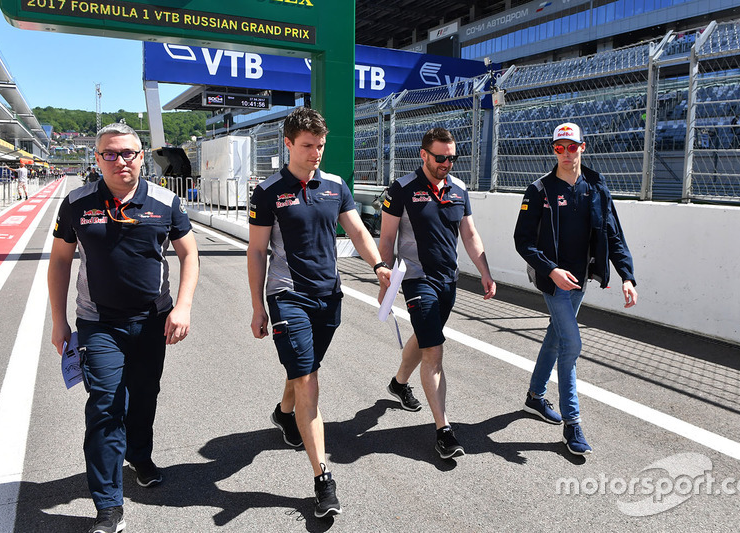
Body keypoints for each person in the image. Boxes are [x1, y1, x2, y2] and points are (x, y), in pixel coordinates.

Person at [48, 123, 199, 533]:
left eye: (128, 153)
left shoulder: (166, 201)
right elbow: (60, 261)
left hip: (153, 321)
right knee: (106, 406)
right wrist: (59, 321)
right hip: (98, 323)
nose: (120, 161)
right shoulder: (78, 203)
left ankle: (140, 455)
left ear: (141, 156)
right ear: (97, 160)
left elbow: (190, 254)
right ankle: (108, 506)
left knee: (144, 396)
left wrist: (182, 307)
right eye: (110, 154)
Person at [247, 106, 391, 518]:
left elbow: (358, 230)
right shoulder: (268, 191)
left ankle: (283, 412)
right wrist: (258, 306)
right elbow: (257, 251)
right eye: (308, 146)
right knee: (308, 380)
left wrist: (378, 265)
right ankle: (322, 478)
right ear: (288, 144)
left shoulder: (335, 185)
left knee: (304, 371)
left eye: (321, 146)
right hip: (287, 295)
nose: (315, 154)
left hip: (329, 296)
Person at [513, 122, 638, 456]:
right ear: (553, 149)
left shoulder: (596, 187)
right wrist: (551, 270)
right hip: (553, 282)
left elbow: (613, 234)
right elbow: (522, 241)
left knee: (556, 337)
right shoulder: (538, 190)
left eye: (572, 146)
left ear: (584, 146)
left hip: (581, 279)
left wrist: (627, 275)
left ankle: (535, 397)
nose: (566, 154)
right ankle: (572, 424)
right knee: (571, 344)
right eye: (559, 148)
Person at [378, 127, 496, 460]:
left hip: (449, 280)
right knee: (434, 350)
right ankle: (443, 430)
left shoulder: (459, 189)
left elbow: (470, 234)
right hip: (416, 279)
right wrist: (383, 278)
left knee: (426, 336)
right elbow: (386, 240)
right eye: (440, 157)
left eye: (452, 158)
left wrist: (485, 271)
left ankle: (399, 383)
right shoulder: (401, 189)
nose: (446, 163)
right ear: (424, 155)